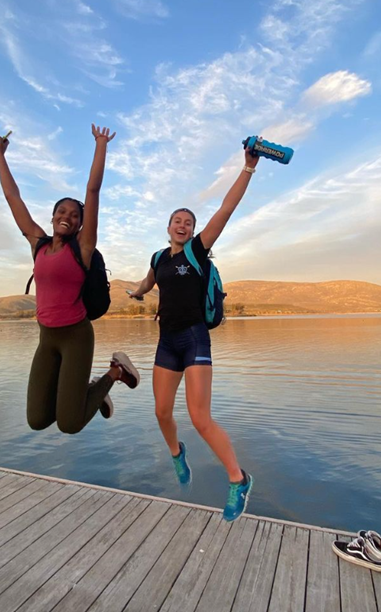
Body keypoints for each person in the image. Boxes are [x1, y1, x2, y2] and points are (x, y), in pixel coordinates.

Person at [129, 146, 259, 521]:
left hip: (195, 339)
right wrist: (136, 293)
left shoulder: (198, 251)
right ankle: (176, 453)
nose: (183, 225)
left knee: (200, 417)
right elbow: (149, 281)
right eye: (177, 220)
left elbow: (226, 209)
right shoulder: (158, 258)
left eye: (189, 221)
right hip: (166, 341)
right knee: (161, 411)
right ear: (167, 226)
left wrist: (248, 168)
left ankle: (238, 479)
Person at [0, 124, 140, 434]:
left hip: (76, 336)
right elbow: (12, 197)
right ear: (52, 216)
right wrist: (0, 156)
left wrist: (101, 144)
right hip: (47, 338)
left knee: (70, 424)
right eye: (62, 210)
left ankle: (115, 372)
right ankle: (88, 393)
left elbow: (93, 191)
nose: (68, 216)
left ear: (79, 224)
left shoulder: (83, 249)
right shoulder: (39, 244)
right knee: (37, 420)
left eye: (75, 215)